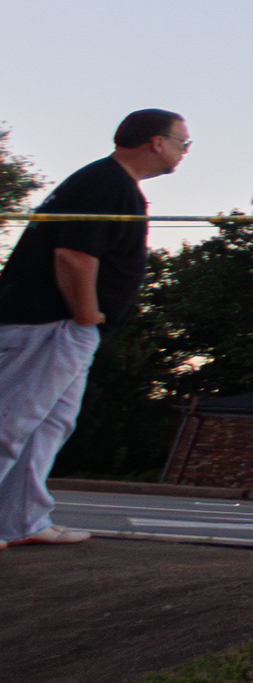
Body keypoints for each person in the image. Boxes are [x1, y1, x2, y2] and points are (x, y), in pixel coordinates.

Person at [0, 110, 188, 547]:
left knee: (50, 424)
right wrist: (86, 316)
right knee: (12, 420)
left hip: (62, 326)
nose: (184, 152)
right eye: (183, 142)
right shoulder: (107, 183)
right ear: (156, 143)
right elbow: (73, 256)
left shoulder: (111, 184)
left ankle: (21, 520)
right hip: (51, 323)